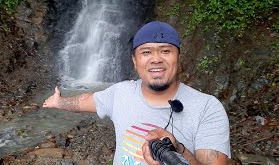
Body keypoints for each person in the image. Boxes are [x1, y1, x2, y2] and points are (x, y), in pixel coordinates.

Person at [43, 21, 231, 165]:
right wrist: (59, 102)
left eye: (165, 51)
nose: (156, 59)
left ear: (178, 57)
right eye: (146, 52)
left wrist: (178, 150)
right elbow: (85, 100)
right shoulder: (120, 93)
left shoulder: (207, 107)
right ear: (134, 60)